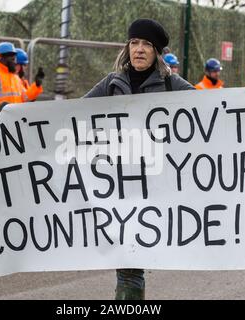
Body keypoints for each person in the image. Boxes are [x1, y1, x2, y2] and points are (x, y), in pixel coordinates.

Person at [84, 18, 195, 300]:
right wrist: (18, 115)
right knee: (129, 263)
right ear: (127, 48)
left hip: (157, 188)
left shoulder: (172, 85)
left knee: (132, 262)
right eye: (135, 43)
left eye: (147, 44)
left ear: (157, 52)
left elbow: (215, 113)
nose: (140, 49)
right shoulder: (111, 84)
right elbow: (70, 115)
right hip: (119, 186)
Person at [0, 42, 43, 110]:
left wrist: (36, 86)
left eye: (14, 58)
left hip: (15, 118)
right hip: (0, 119)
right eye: (12, 59)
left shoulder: (16, 78)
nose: (14, 62)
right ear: (1, 58)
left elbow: (24, 98)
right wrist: (0, 107)